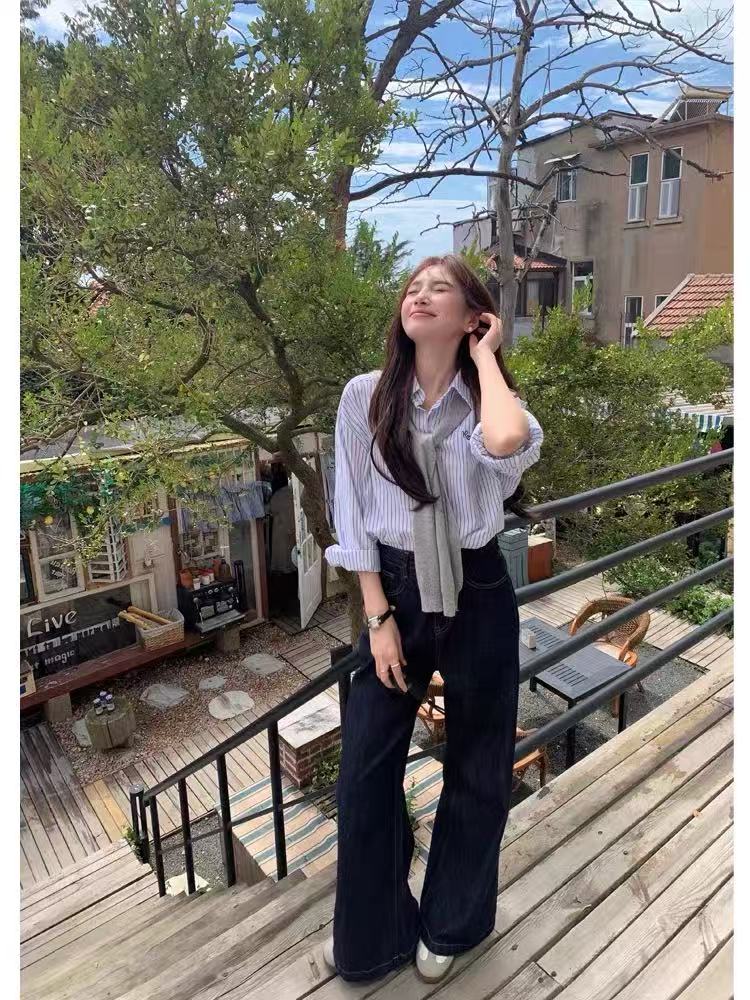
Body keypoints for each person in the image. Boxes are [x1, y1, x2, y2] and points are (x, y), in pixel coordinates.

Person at [322, 254, 544, 984]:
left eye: (439, 288)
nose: (419, 295)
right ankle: (373, 935)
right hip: (395, 589)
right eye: (412, 288)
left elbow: (506, 443)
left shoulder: (490, 400)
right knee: (365, 772)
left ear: (472, 315)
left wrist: (486, 358)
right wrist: (377, 617)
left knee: (478, 765)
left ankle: (452, 922)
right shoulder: (364, 397)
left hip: (478, 588)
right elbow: (352, 508)